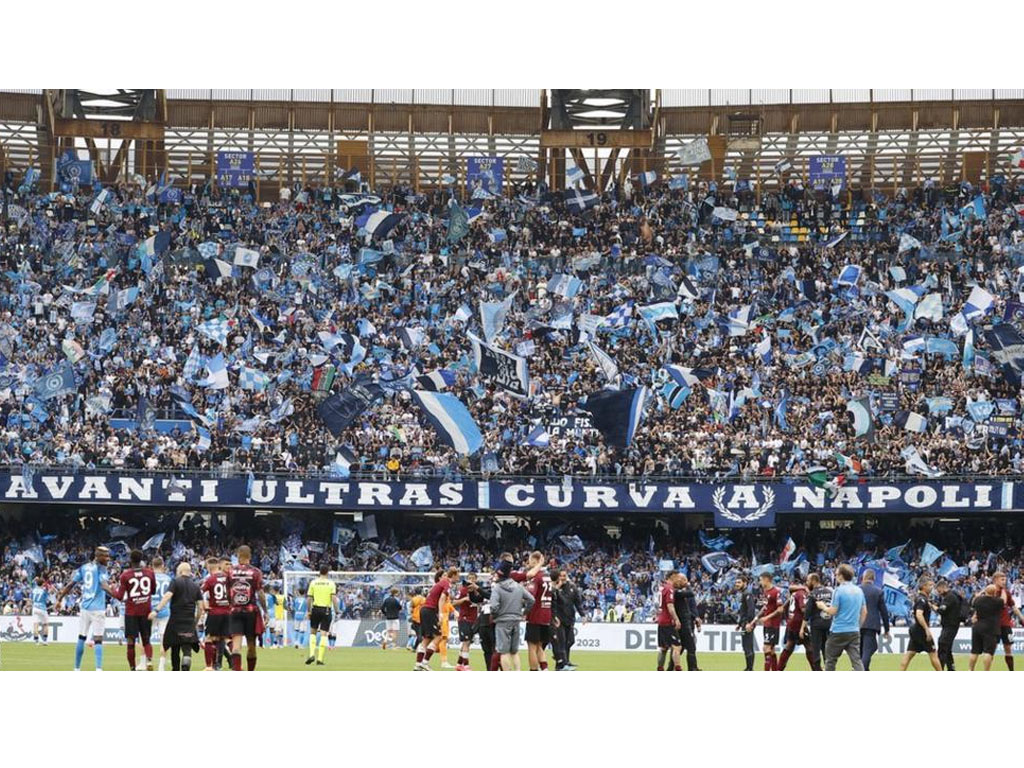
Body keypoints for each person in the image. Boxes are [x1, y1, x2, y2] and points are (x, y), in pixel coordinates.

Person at [55, 545, 113, 671]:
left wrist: (59, 599)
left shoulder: (84, 568)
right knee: (98, 640)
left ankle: (76, 669)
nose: (108, 558)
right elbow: (104, 586)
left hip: (85, 608)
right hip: (98, 608)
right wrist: (118, 596)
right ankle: (98, 669)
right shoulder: (102, 569)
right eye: (106, 555)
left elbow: (70, 584)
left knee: (81, 637)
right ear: (98, 556)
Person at [150, 562, 204, 671]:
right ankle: (185, 668)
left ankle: (175, 669)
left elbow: (167, 596)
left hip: (175, 620)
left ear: (179, 571)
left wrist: (156, 610)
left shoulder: (175, 582)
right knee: (187, 647)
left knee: (175, 647)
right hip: (189, 621)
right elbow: (201, 607)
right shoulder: (195, 586)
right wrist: (196, 620)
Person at [111, 549, 156, 671]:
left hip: (131, 612)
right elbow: (153, 591)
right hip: (146, 610)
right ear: (141, 560)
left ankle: (132, 668)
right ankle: (149, 660)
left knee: (131, 641)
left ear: (130, 560)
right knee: (146, 639)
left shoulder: (125, 575)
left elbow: (120, 597)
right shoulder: (150, 573)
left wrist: (110, 589)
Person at [226, 545, 267, 672]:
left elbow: (228, 592)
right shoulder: (255, 572)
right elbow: (260, 593)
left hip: (235, 611)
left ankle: (237, 671)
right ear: (250, 556)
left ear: (238, 556)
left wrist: (230, 604)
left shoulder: (231, 572)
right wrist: (265, 611)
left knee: (236, 646)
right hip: (251, 611)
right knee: (251, 645)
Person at [489, 560, 535, 671]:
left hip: (502, 621)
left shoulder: (497, 588)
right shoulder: (518, 586)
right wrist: (524, 612)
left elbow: (494, 607)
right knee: (514, 652)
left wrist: (494, 616)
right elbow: (531, 600)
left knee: (503, 652)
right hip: (516, 620)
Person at [820, 563, 866, 671]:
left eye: (836, 575)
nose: (836, 577)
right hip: (854, 631)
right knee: (857, 661)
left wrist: (823, 607)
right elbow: (864, 612)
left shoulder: (839, 590)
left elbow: (833, 611)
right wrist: (858, 627)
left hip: (838, 631)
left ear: (841, 576)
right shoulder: (859, 590)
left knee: (830, 660)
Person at [516, 551, 553, 671]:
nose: (528, 563)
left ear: (536, 561)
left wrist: (524, 611)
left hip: (536, 615)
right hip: (546, 615)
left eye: (530, 560)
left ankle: (533, 670)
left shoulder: (536, 577)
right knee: (540, 646)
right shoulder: (547, 576)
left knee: (531, 646)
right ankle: (545, 669)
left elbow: (530, 596)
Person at [414, 567, 456, 671]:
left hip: (425, 610)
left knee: (427, 638)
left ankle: (418, 664)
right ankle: (425, 662)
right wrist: (441, 614)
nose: (447, 577)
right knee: (439, 636)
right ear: (441, 578)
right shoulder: (445, 583)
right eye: (445, 575)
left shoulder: (436, 586)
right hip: (429, 610)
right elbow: (442, 599)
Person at [898, 576, 941, 671]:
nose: (932, 587)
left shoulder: (922, 599)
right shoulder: (922, 600)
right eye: (930, 585)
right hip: (922, 631)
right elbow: (919, 614)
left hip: (915, 630)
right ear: (924, 586)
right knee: (933, 654)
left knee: (909, 654)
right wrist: (926, 629)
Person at [746, 572, 783, 671]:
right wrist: (754, 621)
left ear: (766, 579)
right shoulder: (765, 592)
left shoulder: (776, 591)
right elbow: (764, 608)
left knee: (766, 648)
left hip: (773, 625)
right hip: (767, 625)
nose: (760, 582)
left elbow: (780, 609)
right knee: (771, 651)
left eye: (761, 580)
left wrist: (767, 617)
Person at [200, 557, 231, 671]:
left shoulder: (210, 579)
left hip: (214, 612)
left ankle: (209, 666)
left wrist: (204, 605)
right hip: (227, 612)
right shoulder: (228, 578)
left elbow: (200, 592)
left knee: (209, 639)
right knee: (224, 638)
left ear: (209, 567)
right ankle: (235, 663)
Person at [306, 565, 339, 665]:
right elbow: (333, 598)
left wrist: (308, 611)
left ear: (319, 572)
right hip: (326, 610)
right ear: (327, 572)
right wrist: (337, 610)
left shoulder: (313, 582)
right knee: (324, 634)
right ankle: (320, 659)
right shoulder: (331, 583)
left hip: (315, 609)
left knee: (313, 632)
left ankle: (311, 654)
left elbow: (309, 598)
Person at [859, 569, 890, 671]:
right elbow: (884, 612)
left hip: (856, 624)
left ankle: (863, 669)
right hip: (871, 625)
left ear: (863, 577)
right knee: (868, 650)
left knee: (862, 651)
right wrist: (887, 629)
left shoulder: (856, 590)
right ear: (874, 578)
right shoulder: (878, 591)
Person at [992, 571, 1024, 670]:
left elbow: (1013, 607)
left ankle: (1011, 672)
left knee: (1008, 649)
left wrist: (1022, 618)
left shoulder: (1006, 592)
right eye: (1002, 579)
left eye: (1005, 579)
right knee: (991, 650)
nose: (1004, 581)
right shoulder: (990, 592)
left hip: (1006, 625)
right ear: (995, 580)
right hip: (993, 625)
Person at [969, 585, 1003, 671]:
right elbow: (1004, 600)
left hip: (977, 627)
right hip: (990, 628)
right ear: (995, 592)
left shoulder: (978, 600)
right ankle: (986, 671)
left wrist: (981, 592)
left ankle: (970, 670)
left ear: (985, 591)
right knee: (988, 652)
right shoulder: (998, 601)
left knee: (974, 651)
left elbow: (973, 601)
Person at [777, 576, 807, 671]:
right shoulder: (802, 593)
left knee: (789, 646)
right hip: (798, 623)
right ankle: (817, 669)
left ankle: (778, 669)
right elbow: (803, 609)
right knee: (810, 647)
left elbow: (784, 608)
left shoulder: (794, 594)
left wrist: (787, 619)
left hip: (791, 623)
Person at [804, 572, 833, 671]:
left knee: (815, 650)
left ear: (813, 581)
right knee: (827, 649)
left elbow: (807, 612)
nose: (807, 582)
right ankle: (828, 669)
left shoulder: (813, 594)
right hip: (829, 624)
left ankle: (817, 670)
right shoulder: (830, 592)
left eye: (808, 580)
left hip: (816, 625)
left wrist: (802, 627)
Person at [934, 579, 964, 671]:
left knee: (942, 644)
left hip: (950, 625)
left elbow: (942, 610)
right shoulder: (953, 595)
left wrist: (933, 607)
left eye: (939, 591)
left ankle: (940, 668)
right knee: (947, 648)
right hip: (951, 625)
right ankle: (951, 669)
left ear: (943, 587)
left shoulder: (949, 597)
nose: (939, 593)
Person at [674, 573, 701, 671]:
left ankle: (692, 667)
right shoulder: (678, 592)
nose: (685, 581)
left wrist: (696, 617)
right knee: (688, 646)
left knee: (683, 647)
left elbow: (693, 606)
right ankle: (692, 668)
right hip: (684, 622)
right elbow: (691, 594)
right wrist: (688, 585)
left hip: (689, 621)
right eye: (683, 579)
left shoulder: (680, 592)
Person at [452, 573, 480, 670]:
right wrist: (464, 599)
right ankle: (466, 665)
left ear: (476, 580)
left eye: (473, 578)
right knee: (466, 642)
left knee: (467, 643)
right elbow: (454, 602)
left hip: (473, 620)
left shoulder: (478, 591)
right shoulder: (463, 590)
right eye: (469, 578)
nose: (471, 580)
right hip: (464, 619)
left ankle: (459, 664)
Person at [656, 571, 682, 671]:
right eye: (677, 577)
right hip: (668, 621)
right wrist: (676, 619)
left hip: (661, 621)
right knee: (677, 647)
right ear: (673, 577)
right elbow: (670, 606)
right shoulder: (669, 589)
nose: (678, 580)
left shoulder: (662, 588)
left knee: (663, 648)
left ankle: (660, 669)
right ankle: (678, 669)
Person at [558, 569, 584, 669]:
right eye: (561, 576)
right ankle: (562, 662)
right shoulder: (555, 587)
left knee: (570, 641)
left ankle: (566, 661)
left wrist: (582, 615)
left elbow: (577, 602)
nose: (562, 578)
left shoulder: (572, 587)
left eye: (564, 576)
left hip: (570, 618)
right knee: (562, 641)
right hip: (559, 619)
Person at [151, 557, 173, 671]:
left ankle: (146, 661)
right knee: (164, 639)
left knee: (144, 637)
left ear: (152, 565)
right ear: (162, 565)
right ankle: (161, 665)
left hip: (150, 610)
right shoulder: (168, 579)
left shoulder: (149, 577)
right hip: (164, 611)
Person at [734, 576, 757, 671]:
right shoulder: (743, 594)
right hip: (744, 624)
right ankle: (748, 667)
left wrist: (748, 623)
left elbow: (751, 610)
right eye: (736, 582)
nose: (737, 584)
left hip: (747, 624)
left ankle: (750, 668)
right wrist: (740, 624)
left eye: (739, 582)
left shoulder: (748, 594)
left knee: (748, 645)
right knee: (745, 645)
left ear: (745, 583)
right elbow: (743, 611)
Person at [380, 587, 402, 652]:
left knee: (388, 631)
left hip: (388, 617)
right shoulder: (396, 600)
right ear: (395, 593)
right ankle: (394, 645)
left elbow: (382, 608)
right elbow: (400, 607)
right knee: (395, 632)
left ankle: (385, 641)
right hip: (395, 617)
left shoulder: (386, 600)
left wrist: (385, 613)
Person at [30, 577, 49, 645]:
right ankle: (45, 640)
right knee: (45, 624)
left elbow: (32, 583)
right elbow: (47, 588)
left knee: (35, 625)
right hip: (42, 608)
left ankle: (36, 641)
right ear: (42, 584)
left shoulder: (34, 589)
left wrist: (35, 579)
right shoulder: (44, 590)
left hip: (35, 608)